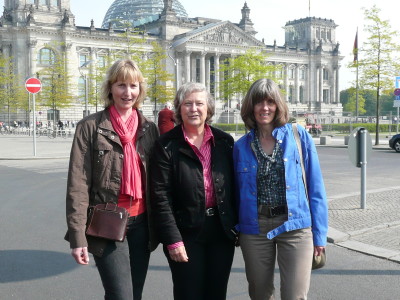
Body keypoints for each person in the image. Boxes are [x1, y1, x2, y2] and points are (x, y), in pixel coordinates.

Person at [65, 59, 159, 300]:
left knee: (134, 294)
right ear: (110, 88)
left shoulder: (149, 128)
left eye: (133, 86)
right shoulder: (90, 126)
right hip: (107, 221)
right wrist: (77, 236)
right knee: (121, 295)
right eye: (121, 85)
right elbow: (78, 184)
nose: (128, 92)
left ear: (140, 90)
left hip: (142, 224)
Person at [233, 78, 328, 300]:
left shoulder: (298, 136)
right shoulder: (240, 146)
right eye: (258, 102)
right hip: (255, 228)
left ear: (278, 105)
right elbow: (235, 193)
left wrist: (320, 234)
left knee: (295, 296)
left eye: (270, 102)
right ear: (250, 106)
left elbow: (315, 186)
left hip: (295, 226)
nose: (265, 108)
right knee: (259, 294)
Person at [150, 82, 237, 300]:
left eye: (199, 103)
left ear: (208, 108)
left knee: (217, 293)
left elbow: (235, 187)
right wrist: (173, 239)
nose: (193, 109)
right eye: (187, 104)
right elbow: (160, 197)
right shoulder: (166, 145)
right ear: (179, 109)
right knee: (188, 293)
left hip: (221, 231)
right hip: (185, 233)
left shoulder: (224, 142)